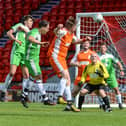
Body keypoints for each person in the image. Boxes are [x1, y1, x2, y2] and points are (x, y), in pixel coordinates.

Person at [47, 16, 91, 112]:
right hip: (55, 55)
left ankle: (69, 103)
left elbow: (76, 41)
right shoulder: (63, 31)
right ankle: (59, 97)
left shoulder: (71, 35)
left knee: (68, 80)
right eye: (75, 26)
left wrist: (84, 39)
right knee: (65, 76)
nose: (76, 28)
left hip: (62, 58)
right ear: (72, 26)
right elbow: (56, 32)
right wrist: (58, 28)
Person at [1, 15, 34, 101]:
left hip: (25, 54)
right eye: (30, 21)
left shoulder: (29, 32)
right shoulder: (20, 26)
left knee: (26, 75)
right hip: (17, 52)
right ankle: (3, 91)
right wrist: (16, 40)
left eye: (32, 21)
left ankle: (23, 96)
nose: (32, 23)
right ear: (25, 21)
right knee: (12, 73)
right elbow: (9, 33)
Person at [22, 20, 55, 108]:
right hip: (30, 59)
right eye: (47, 28)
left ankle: (23, 95)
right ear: (43, 27)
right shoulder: (35, 32)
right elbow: (30, 38)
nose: (48, 30)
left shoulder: (38, 33)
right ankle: (45, 98)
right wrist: (40, 43)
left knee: (33, 77)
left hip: (34, 59)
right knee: (39, 76)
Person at [97, 43, 124, 109]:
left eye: (104, 47)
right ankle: (102, 103)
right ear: (100, 49)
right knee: (99, 90)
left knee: (116, 89)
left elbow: (118, 62)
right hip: (101, 76)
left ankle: (120, 103)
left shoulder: (110, 56)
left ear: (106, 49)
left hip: (110, 75)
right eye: (101, 47)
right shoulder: (97, 56)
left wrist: (121, 70)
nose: (102, 49)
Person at [70, 41, 96, 109]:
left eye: (87, 43)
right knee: (74, 92)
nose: (85, 44)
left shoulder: (92, 53)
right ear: (82, 45)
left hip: (90, 76)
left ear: (89, 45)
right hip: (80, 76)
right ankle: (69, 106)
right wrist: (76, 64)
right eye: (84, 43)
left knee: (97, 91)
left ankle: (104, 105)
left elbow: (98, 63)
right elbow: (71, 62)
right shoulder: (78, 54)